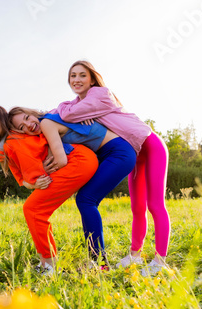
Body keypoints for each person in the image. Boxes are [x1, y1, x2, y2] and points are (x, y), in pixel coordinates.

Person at [52, 60, 171, 276]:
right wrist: (71, 109)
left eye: (82, 75)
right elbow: (54, 115)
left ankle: (160, 261)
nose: (76, 80)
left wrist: (69, 109)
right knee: (137, 207)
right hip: (135, 151)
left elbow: (66, 115)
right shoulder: (78, 103)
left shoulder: (100, 94)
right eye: (72, 76)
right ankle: (135, 255)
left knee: (154, 204)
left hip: (150, 144)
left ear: (92, 79)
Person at [9, 107, 137, 269]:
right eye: (22, 127)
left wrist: (45, 172)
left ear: (33, 114)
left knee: (86, 200)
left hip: (118, 152)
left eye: (27, 118)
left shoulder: (47, 123)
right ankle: (97, 261)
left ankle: (99, 263)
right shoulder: (48, 124)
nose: (28, 125)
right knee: (85, 200)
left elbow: (61, 160)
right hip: (108, 153)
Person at [0, 105, 98, 274]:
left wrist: (34, 179)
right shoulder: (9, 143)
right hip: (81, 158)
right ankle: (47, 262)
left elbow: (35, 177)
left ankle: (48, 264)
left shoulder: (13, 141)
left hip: (77, 160)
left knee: (33, 209)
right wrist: (32, 181)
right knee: (35, 209)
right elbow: (25, 179)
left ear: (4, 122)